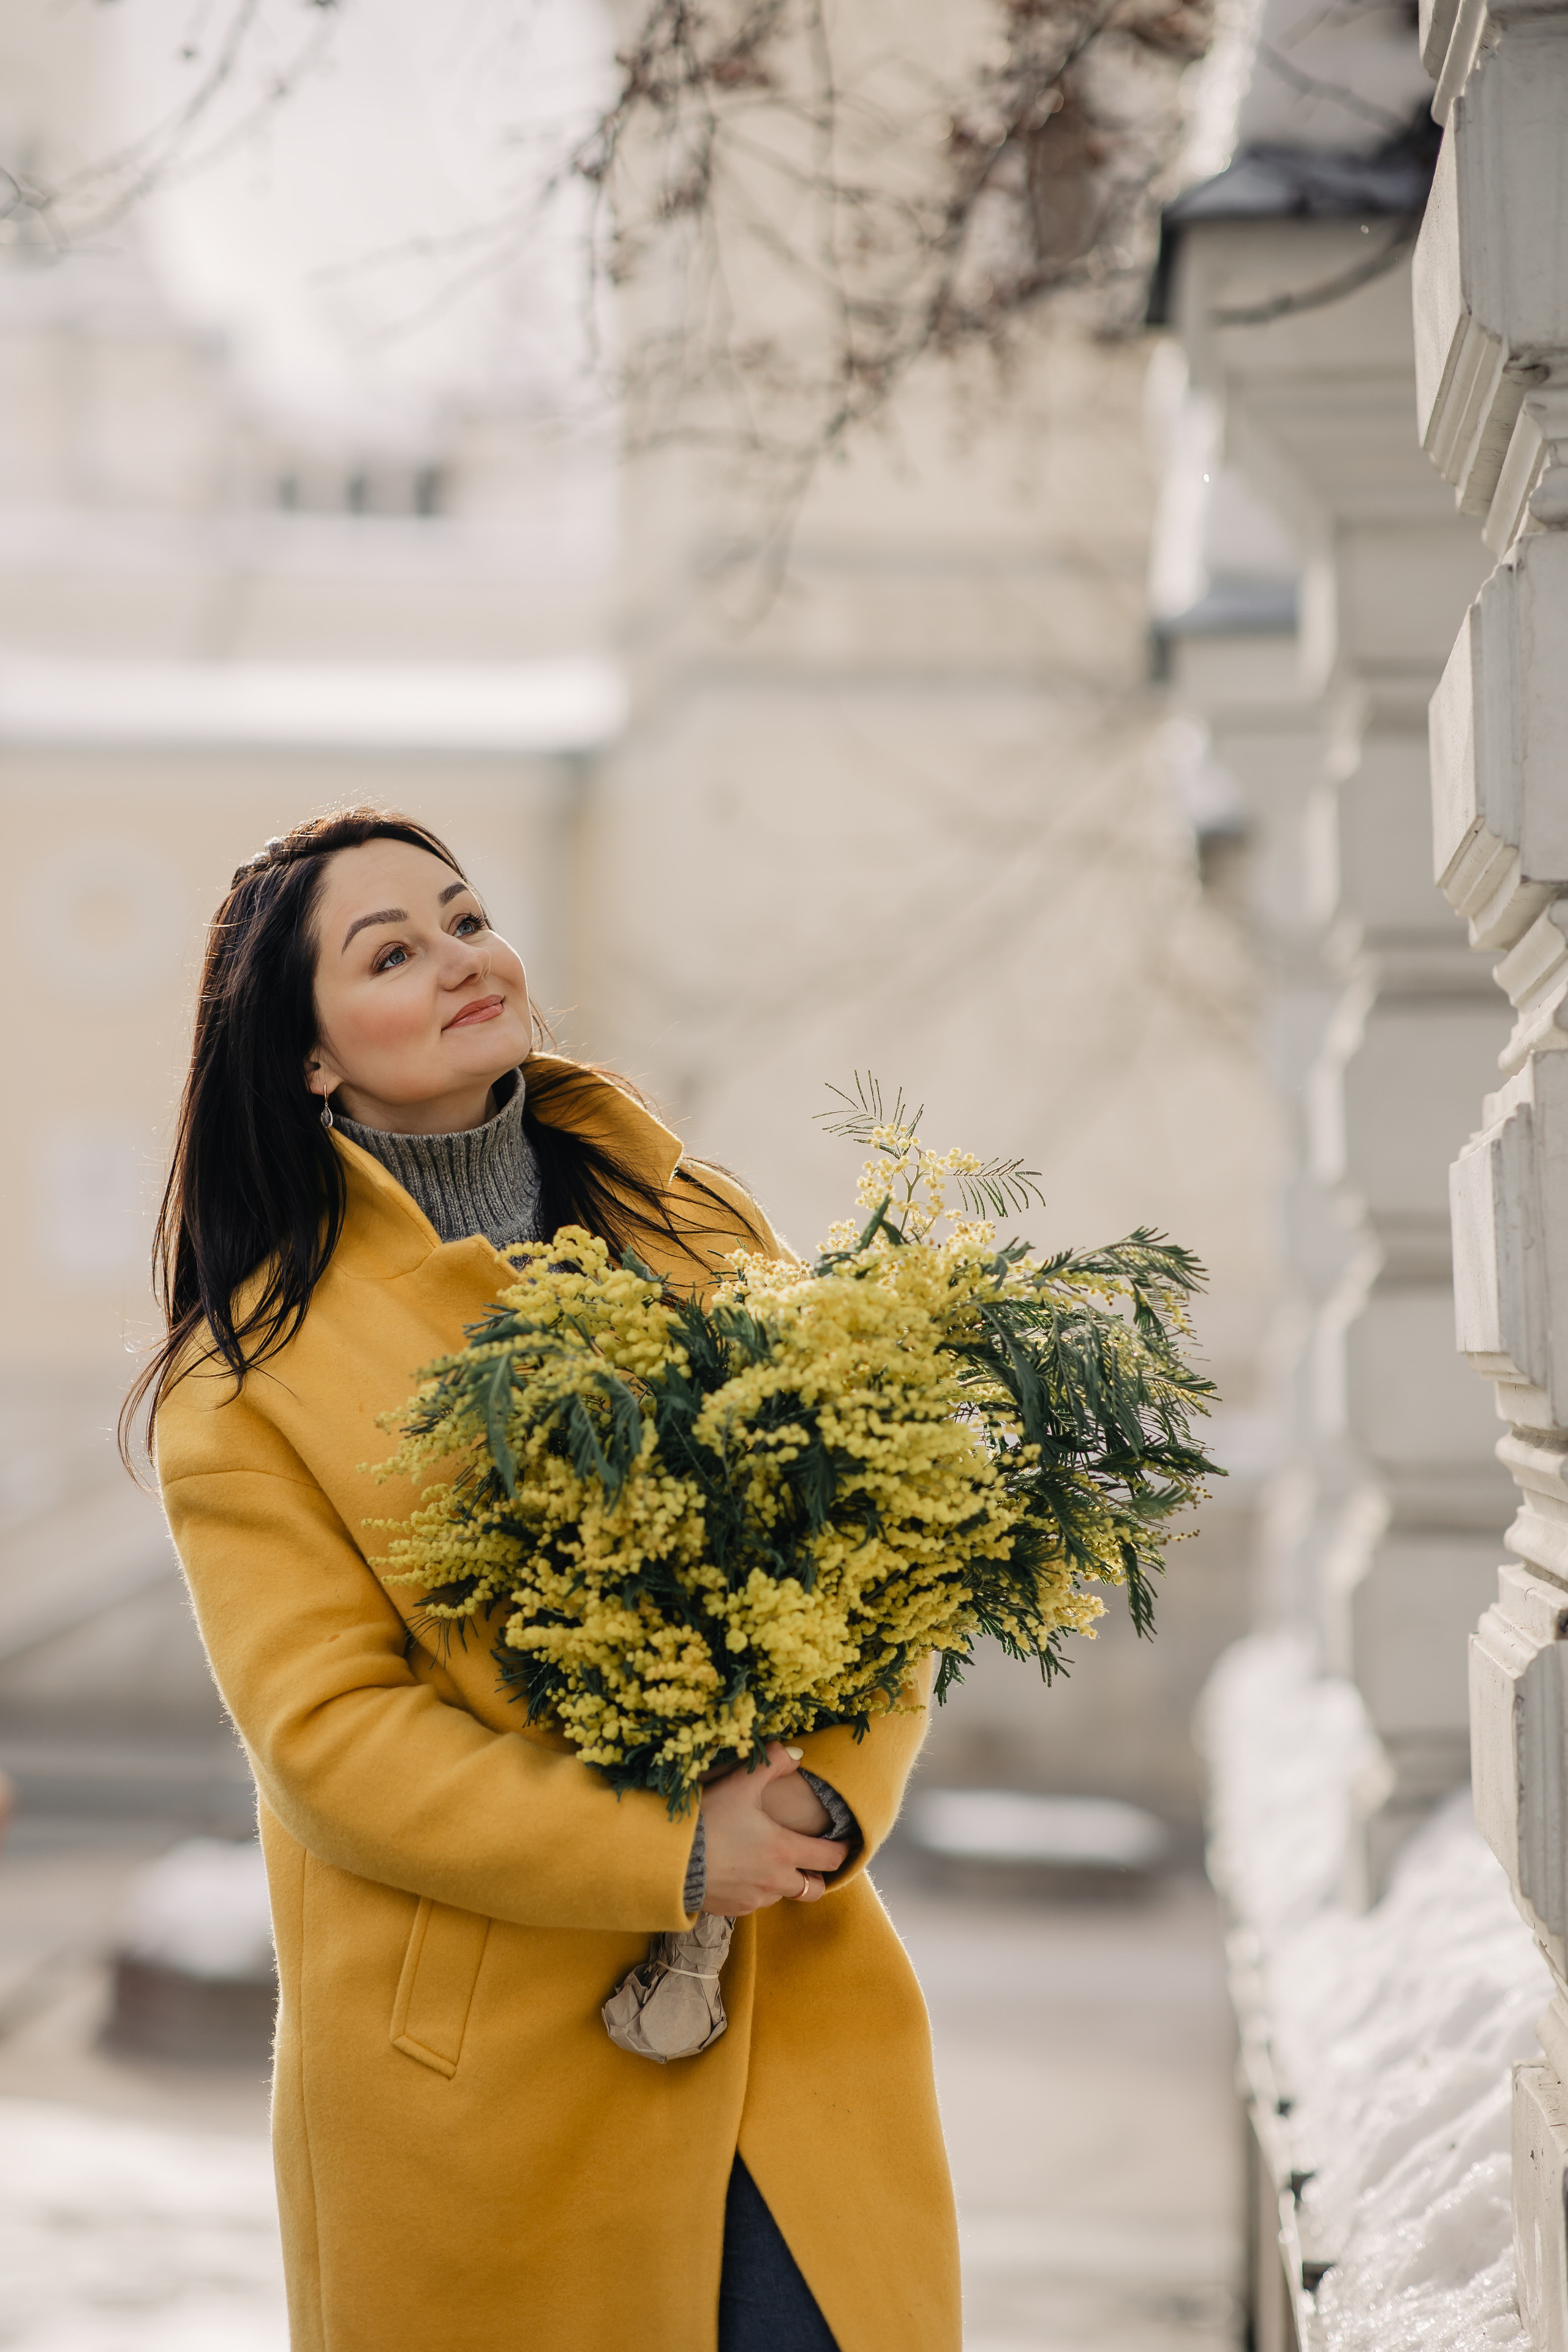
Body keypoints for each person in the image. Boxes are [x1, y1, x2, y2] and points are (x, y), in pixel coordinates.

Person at [132, 807, 960, 2352]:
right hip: (485, 2085)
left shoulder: (692, 1225)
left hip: (789, 2002)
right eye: (390, 951)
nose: (460, 960)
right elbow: (334, 1744)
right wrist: (664, 1851)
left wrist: (828, 1799)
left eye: (462, 918)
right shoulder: (249, 1379)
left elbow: (884, 1532)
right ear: (307, 1058)